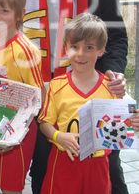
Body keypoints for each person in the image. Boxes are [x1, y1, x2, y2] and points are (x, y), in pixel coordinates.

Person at [10, 0, 129, 194]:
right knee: (43, 174)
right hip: (41, 96)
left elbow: (116, 38)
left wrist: (113, 74)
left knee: (109, 174)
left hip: (89, 91)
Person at [38, 13, 139, 194]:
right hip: (64, 162)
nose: (80, 54)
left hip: (98, 165)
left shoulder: (111, 88)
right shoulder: (56, 86)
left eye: (89, 47)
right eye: (74, 47)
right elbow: (44, 123)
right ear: (66, 48)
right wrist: (57, 137)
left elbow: (127, 124)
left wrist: (134, 122)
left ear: (101, 50)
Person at [0, 0, 45, 194]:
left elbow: (38, 96)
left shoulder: (26, 51)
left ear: (19, 15)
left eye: (4, 11)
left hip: (20, 127)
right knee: (1, 178)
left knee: (11, 185)